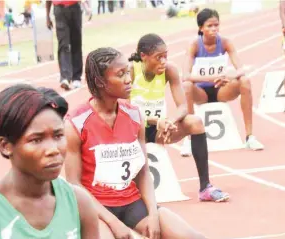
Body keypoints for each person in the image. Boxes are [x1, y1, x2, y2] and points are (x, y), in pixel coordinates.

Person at [65, 47, 207, 239]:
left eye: (128, 72)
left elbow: (143, 172)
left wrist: (154, 215)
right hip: (96, 209)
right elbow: (74, 184)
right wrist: (113, 222)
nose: (128, 79)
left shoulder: (134, 115)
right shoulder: (76, 123)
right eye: (120, 74)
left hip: (131, 203)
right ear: (100, 82)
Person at [0, 84, 99, 239]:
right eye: (36, 140)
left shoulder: (79, 202)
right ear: (6, 146)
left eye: (58, 136)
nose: (53, 149)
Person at [129, 33, 229, 202]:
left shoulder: (170, 69)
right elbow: (123, 110)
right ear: (143, 56)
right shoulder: (130, 70)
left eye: (165, 56)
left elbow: (183, 106)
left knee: (195, 122)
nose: (163, 62)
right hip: (132, 131)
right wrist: (155, 121)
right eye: (158, 57)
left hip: (160, 129)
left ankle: (205, 187)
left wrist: (170, 121)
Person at [182, 8, 264, 153]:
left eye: (216, 25)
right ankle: (189, 140)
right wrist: (212, 78)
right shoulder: (194, 45)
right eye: (209, 26)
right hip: (201, 93)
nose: (214, 29)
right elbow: (186, 76)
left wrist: (229, 77)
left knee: (245, 81)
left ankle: (250, 137)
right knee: (187, 86)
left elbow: (241, 69)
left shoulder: (225, 42)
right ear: (201, 28)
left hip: (221, 90)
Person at [46, 0, 91, 90]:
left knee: (76, 43)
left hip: (75, 7)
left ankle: (76, 78)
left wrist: (87, 7)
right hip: (59, 10)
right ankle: (65, 77)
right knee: (63, 44)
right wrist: (47, 17)